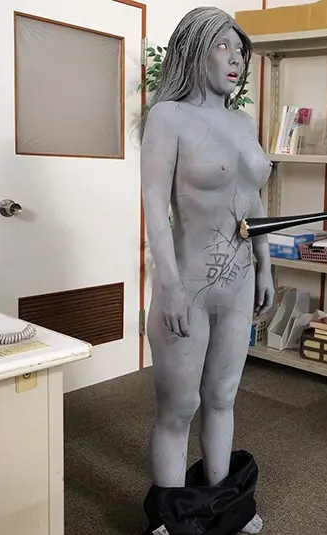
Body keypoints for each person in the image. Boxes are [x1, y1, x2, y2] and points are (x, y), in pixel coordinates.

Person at [139, 7, 274, 534]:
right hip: (188, 286)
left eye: (240, 50)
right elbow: (154, 206)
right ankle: (172, 521)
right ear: (194, 51)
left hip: (238, 284)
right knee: (180, 406)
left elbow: (254, 200)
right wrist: (168, 285)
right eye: (223, 46)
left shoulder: (243, 122)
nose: (236, 58)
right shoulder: (167, 117)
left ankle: (222, 507)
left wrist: (265, 264)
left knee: (222, 398)